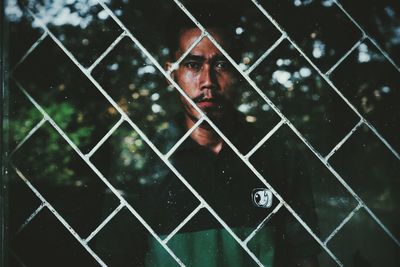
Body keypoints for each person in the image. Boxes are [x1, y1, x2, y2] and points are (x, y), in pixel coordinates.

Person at [95, 3, 321, 266]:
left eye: (222, 64)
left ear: (239, 71)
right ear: (171, 72)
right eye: (193, 64)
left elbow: (305, 258)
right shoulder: (143, 161)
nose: (208, 81)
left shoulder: (278, 155)